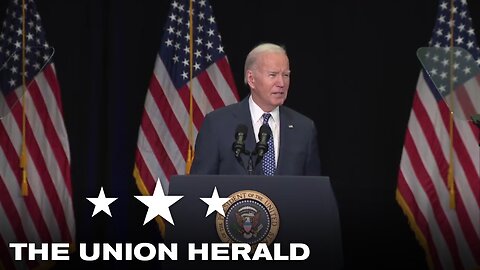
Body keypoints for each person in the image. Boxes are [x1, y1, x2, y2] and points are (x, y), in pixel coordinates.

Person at [189, 42, 321, 176]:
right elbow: (199, 186)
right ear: (251, 79)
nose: (281, 83)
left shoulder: (304, 129)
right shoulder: (217, 124)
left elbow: (314, 191)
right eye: (273, 75)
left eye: (286, 75)